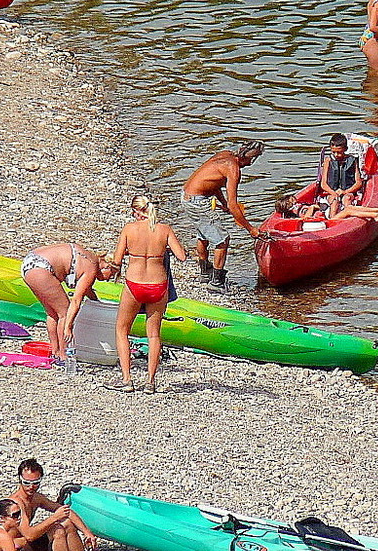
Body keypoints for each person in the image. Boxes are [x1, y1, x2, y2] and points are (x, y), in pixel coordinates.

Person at [110, 194, 187, 393]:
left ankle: (127, 379)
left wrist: (132, 253)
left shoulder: (129, 229)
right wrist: (162, 248)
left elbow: (117, 261)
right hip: (158, 285)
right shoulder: (164, 229)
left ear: (136, 211)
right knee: (153, 334)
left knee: (122, 329)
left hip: (135, 284)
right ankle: (150, 382)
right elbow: (182, 256)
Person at [9, 459, 112, 551]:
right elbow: (29, 535)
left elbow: (66, 511)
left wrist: (87, 533)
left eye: (35, 483)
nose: (31, 487)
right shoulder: (16, 503)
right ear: (20, 479)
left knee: (67, 523)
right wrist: (54, 518)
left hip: (29, 546)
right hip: (17, 550)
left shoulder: (36, 498)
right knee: (56, 528)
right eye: (27, 483)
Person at [179, 140, 265, 288]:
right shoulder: (234, 170)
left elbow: (214, 184)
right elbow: (234, 205)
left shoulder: (225, 155)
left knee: (203, 235)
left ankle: (205, 272)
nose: (251, 163)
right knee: (222, 240)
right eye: (252, 159)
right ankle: (216, 282)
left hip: (187, 196)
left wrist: (223, 203)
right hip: (198, 201)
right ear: (246, 157)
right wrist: (250, 229)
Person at [19, 242, 118, 363]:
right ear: (107, 266)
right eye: (112, 275)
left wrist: (96, 302)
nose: (108, 279)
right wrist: (68, 327)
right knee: (65, 313)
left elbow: (87, 290)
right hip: (42, 269)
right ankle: (63, 355)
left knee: (52, 313)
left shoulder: (88, 257)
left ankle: (55, 351)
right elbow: (76, 300)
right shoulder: (91, 266)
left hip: (30, 263)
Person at [317, 133, 365, 217]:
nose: (336, 155)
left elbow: (358, 183)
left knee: (347, 199)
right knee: (334, 201)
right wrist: (334, 193)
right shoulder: (328, 161)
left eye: (339, 152)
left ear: (345, 149)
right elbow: (323, 184)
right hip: (331, 193)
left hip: (347, 192)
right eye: (333, 152)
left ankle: (347, 220)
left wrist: (344, 192)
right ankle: (333, 221)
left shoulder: (352, 161)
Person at [274, 194, 378, 223]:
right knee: (348, 210)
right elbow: (306, 218)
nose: (295, 200)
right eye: (291, 201)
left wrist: (314, 207)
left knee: (350, 207)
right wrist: (311, 208)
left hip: (326, 216)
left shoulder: (298, 207)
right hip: (328, 221)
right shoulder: (297, 211)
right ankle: (376, 215)